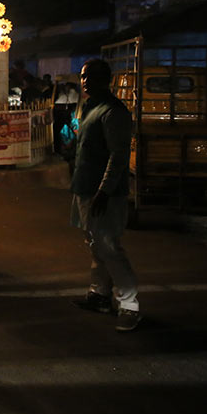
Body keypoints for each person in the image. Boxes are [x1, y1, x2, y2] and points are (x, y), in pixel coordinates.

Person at [69, 58, 140, 332]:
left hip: (103, 194)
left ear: (105, 80)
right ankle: (99, 294)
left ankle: (130, 304)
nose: (85, 81)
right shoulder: (90, 107)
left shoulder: (114, 112)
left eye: (92, 77)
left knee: (109, 246)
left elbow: (119, 156)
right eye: (84, 76)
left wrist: (104, 190)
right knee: (95, 244)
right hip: (85, 188)